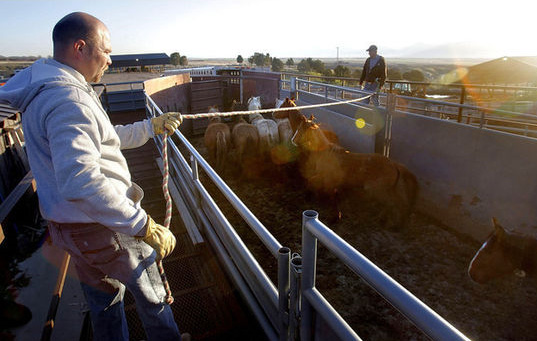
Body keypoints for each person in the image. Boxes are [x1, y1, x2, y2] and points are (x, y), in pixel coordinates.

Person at [0, 12, 186, 341]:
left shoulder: (47, 86)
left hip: (71, 231)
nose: (111, 60)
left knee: (103, 303)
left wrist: (149, 127)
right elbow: (82, 181)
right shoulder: (69, 100)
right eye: (107, 50)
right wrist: (144, 225)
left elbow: (100, 140)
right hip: (106, 228)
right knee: (154, 299)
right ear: (80, 47)